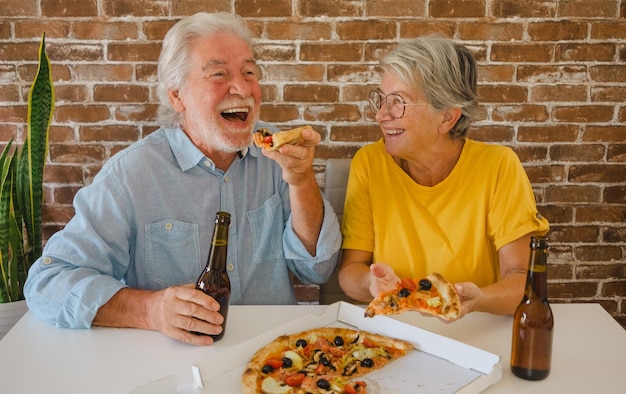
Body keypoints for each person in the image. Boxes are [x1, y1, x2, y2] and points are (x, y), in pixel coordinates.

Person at [24, 12, 341, 345]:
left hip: (276, 355)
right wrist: (151, 310)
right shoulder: (131, 175)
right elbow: (48, 280)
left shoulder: (278, 155)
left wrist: (301, 180)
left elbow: (317, 270)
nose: (243, 87)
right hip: (178, 361)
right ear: (177, 95)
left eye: (250, 72)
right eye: (219, 74)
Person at [337, 36, 549, 318]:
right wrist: (371, 282)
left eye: (398, 102)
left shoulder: (498, 166)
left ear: (447, 118)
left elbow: (523, 280)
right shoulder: (369, 163)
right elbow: (351, 272)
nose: (380, 115)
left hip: (477, 329)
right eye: (381, 99)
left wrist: (479, 299)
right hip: (399, 327)